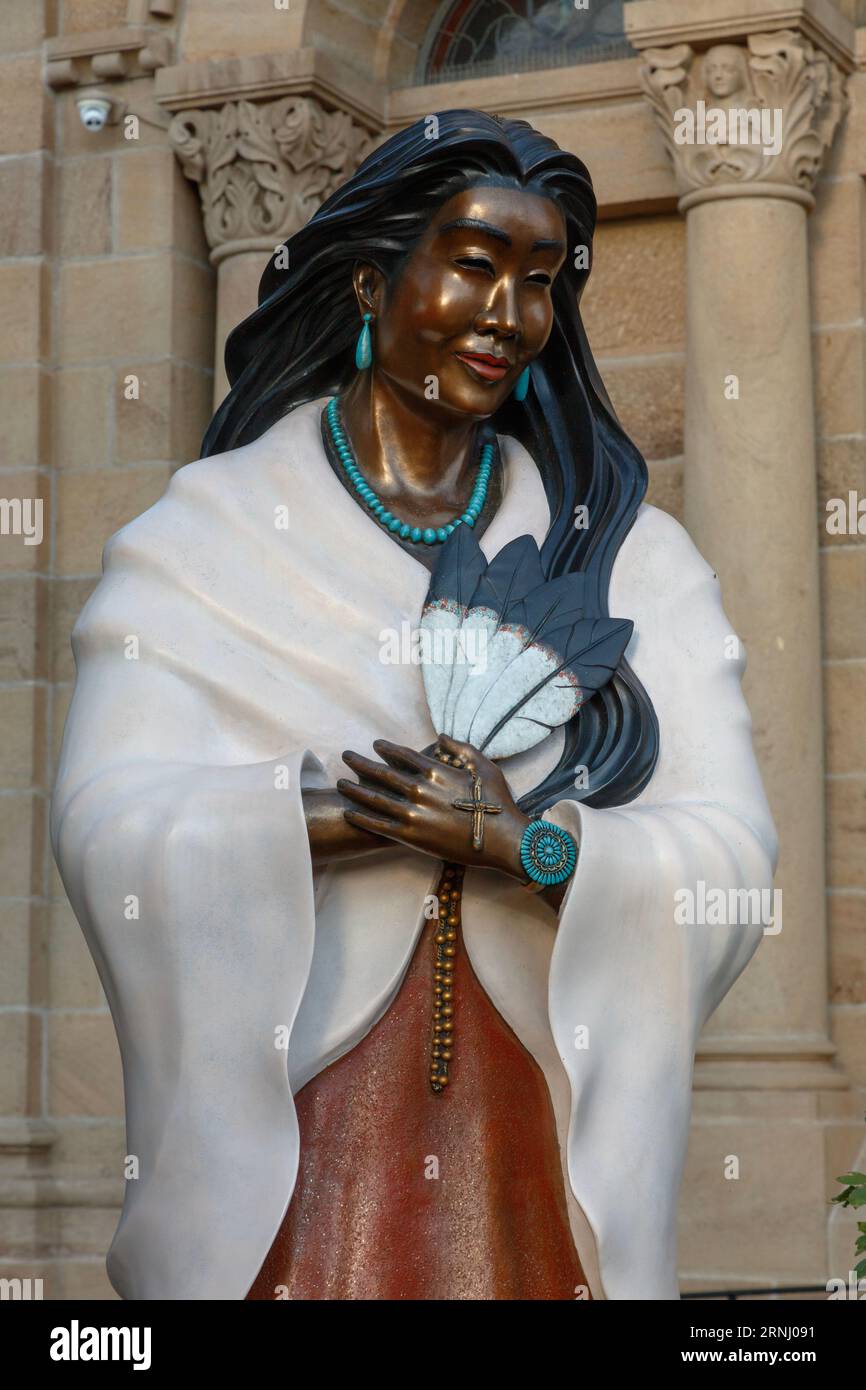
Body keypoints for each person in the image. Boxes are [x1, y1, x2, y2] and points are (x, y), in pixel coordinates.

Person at [50, 110, 778, 1301]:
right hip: (302, 1143)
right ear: (369, 280)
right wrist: (351, 815)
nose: (507, 315)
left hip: (522, 1134)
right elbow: (106, 824)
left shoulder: (633, 562)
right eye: (475, 265)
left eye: (538, 284)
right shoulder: (207, 537)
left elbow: (733, 860)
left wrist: (520, 845)